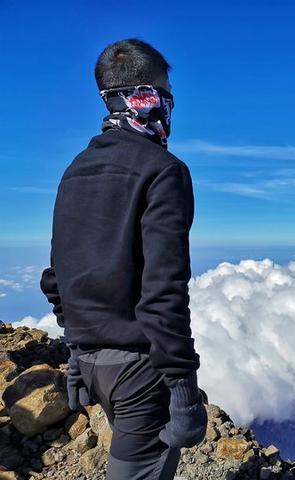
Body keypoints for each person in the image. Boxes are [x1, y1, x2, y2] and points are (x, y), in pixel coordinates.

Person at [39, 38, 208, 479]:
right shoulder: (164, 171)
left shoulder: (75, 169)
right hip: (139, 372)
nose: (170, 104)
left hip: (95, 366)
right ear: (149, 95)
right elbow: (163, 291)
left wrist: (77, 355)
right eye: (166, 91)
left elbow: (60, 276)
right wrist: (184, 390)